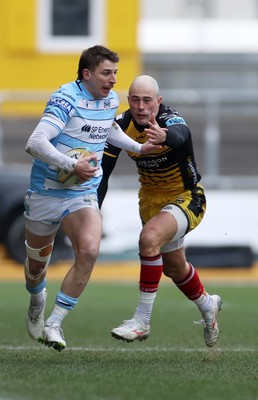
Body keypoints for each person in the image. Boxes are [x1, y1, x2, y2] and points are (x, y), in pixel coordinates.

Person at [24, 47, 159, 351]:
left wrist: (138, 149)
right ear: (87, 74)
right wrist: (71, 165)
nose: (113, 80)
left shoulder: (110, 100)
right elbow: (35, 142)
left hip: (82, 191)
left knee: (89, 249)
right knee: (35, 269)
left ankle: (55, 323)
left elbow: (107, 129)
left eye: (115, 73)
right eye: (106, 73)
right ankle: (37, 297)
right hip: (46, 192)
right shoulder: (65, 99)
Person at [98, 75, 222, 348]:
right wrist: (92, 211)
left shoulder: (170, 120)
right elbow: (103, 175)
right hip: (150, 202)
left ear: (159, 102)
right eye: (135, 100)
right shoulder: (119, 126)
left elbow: (182, 135)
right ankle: (207, 305)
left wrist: (165, 136)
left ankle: (142, 321)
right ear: (128, 100)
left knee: (148, 238)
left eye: (147, 100)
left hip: (186, 197)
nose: (141, 107)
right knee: (174, 269)